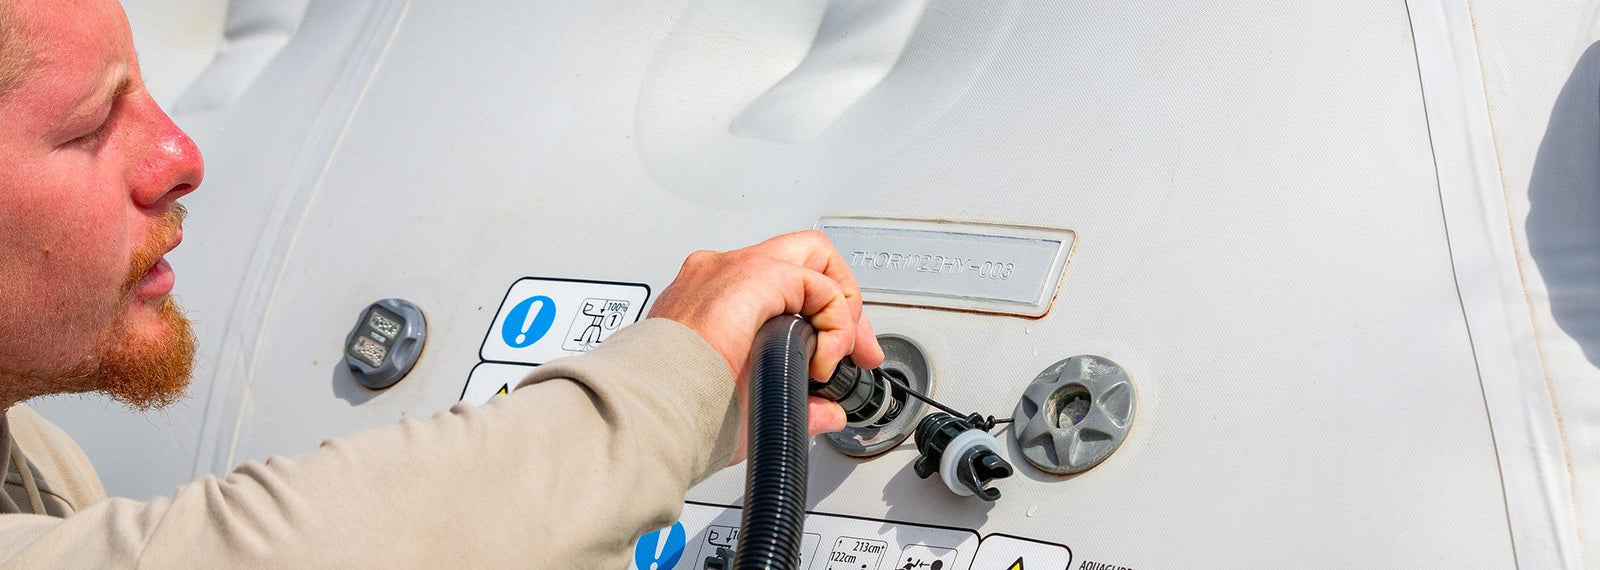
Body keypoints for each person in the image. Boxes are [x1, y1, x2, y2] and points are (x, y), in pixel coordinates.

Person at [0, 0, 884, 566]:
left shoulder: (34, 463)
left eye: (148, 92)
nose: (182, 157)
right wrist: (660, 392)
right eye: (88, 127)